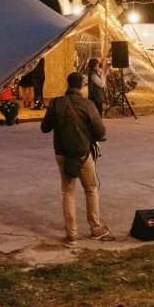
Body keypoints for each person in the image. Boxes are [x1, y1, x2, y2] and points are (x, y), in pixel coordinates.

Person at [40, 71, 112, 246]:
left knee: (68, 191)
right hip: (83, 154)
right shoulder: (87, 105)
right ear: (81, 86)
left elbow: (45, 128)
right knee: (91, 190)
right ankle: (95, 228)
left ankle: (71, 234)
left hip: (62, 154)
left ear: (68, 84)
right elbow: (101, 132)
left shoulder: (56, 103)